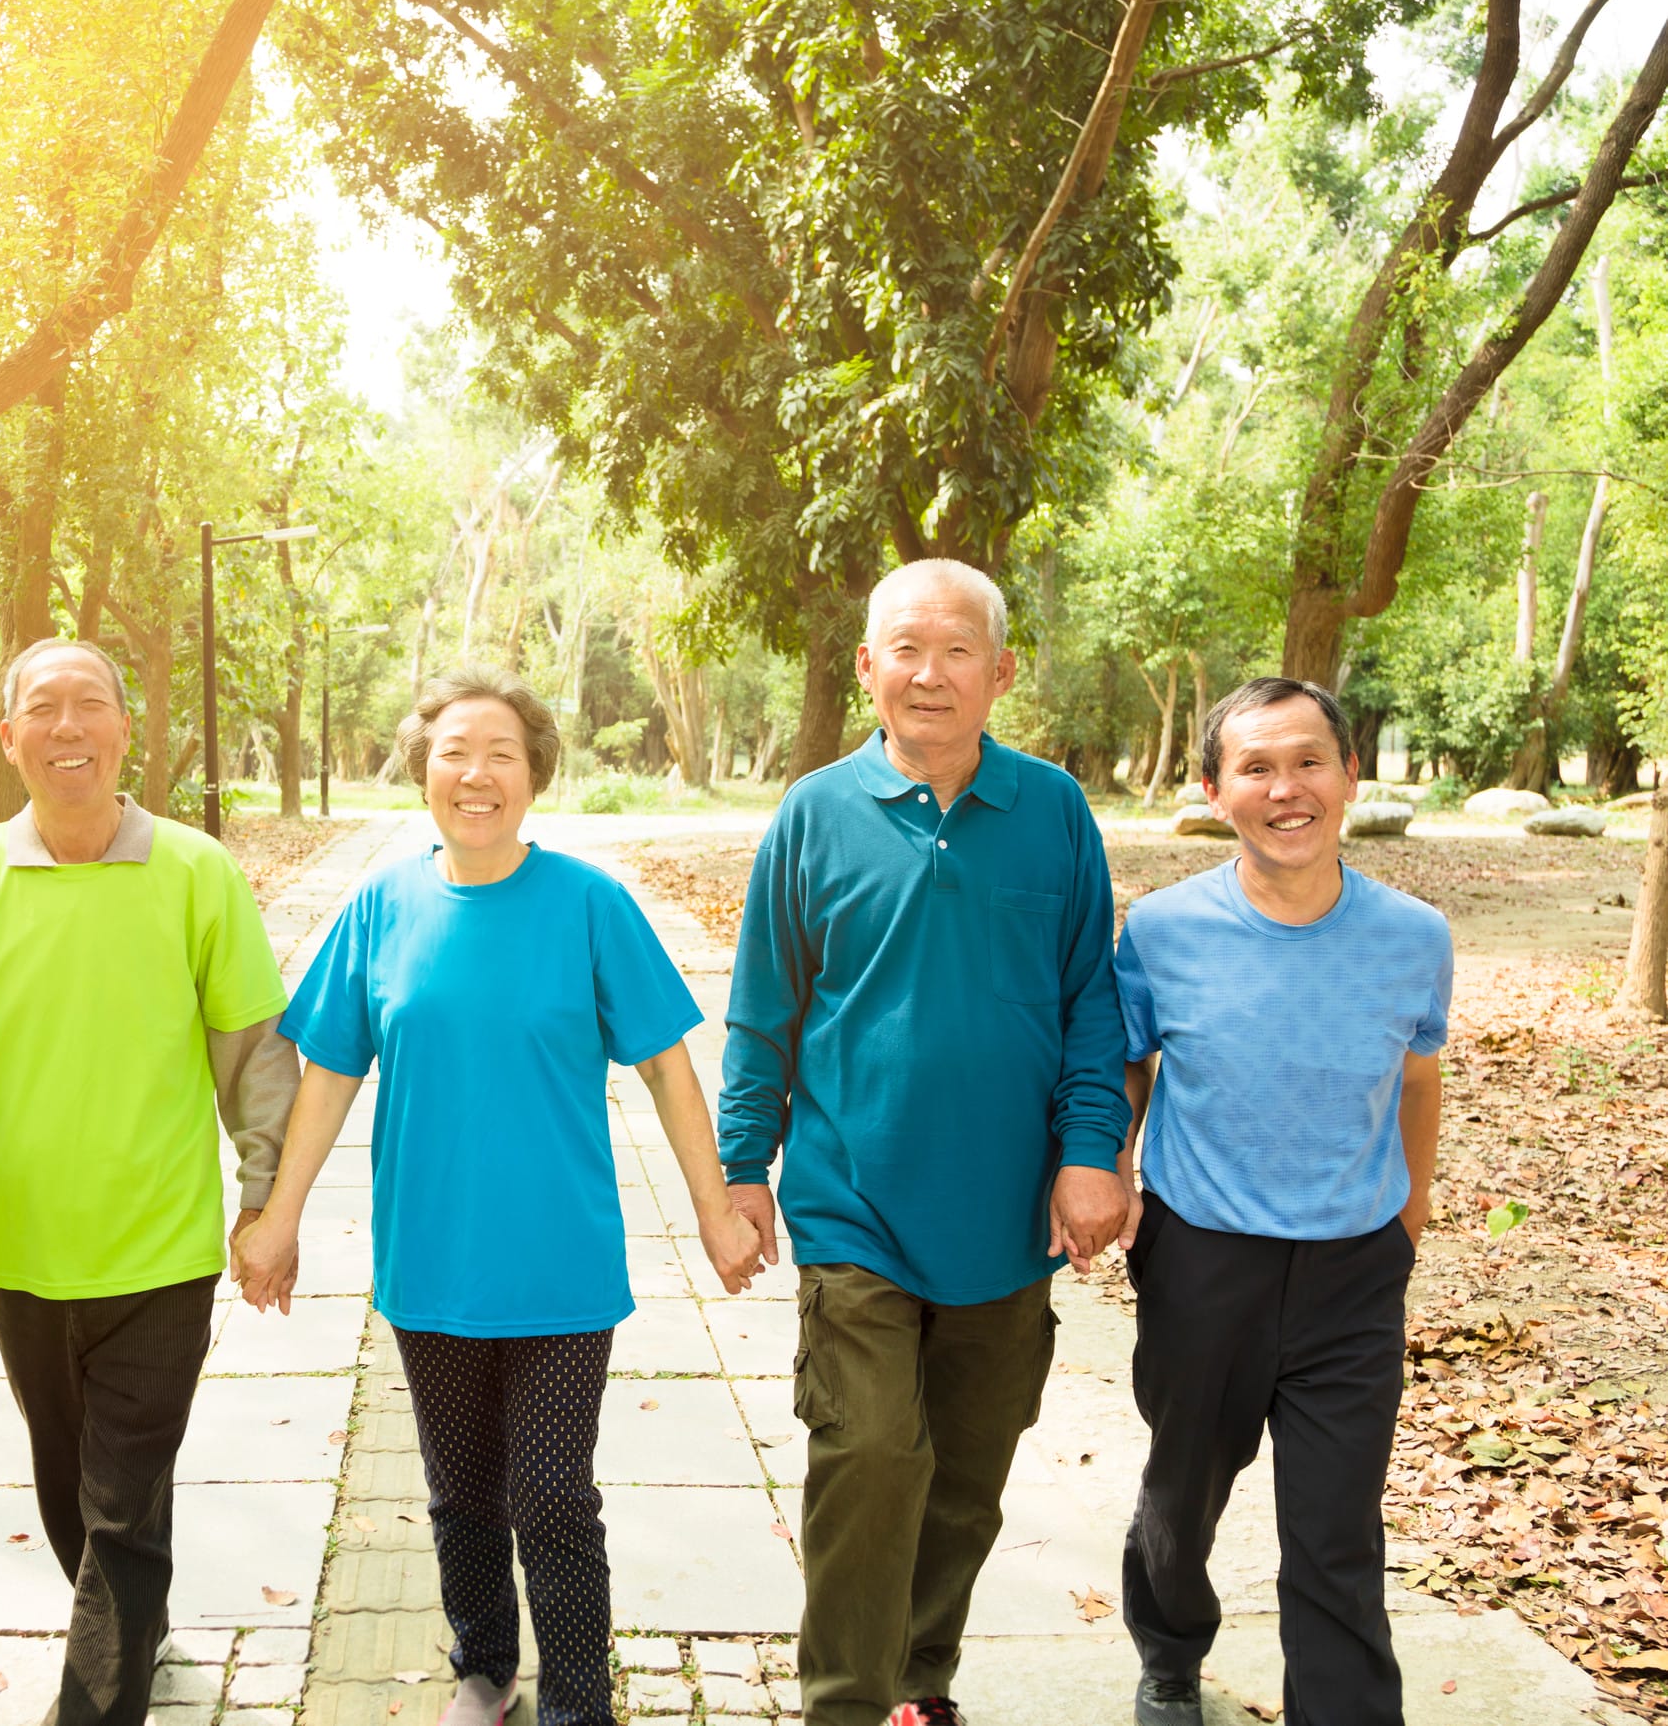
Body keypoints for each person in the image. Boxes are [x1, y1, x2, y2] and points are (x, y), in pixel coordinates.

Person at [235, 666, 763, 1726]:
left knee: (554, 1496)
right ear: (422, 771)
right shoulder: (382, 906)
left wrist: (716, 1209)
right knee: (461, 1496)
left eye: (501, 756)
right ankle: (485, 1666)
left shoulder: (588, 903)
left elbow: (665, 1064)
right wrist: (278, 1218)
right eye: (453, 754)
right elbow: (331, 1069)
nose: (476, 774)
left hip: (561, 1264)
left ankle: (578, 1703)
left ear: (533, 777)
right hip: (429, 1260)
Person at [717, 559, 1133, 1726]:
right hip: (855, 1204)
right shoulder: (813, 813)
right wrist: (743, 1171)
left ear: (1000, 673)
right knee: (868, 1458)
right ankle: (844, 1703)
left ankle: (919, 1679)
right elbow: (764, 1014)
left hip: (1005, 1217)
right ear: (867, 668)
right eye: (905, 648)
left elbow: (1089, 1004)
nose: (929, 673)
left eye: (957, 651)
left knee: (965, 1475)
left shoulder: (1051, 809)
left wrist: (1091, 1149)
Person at [0, 638, 297, 1726]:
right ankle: (131, 1637)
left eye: (91, 705)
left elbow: (253, 1049)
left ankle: (99, 1700)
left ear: (124, 730)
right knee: (71, 1499)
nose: (69, 726)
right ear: (9, 738)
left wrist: (267, 1204)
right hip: (22, 1251)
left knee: (121, 1514)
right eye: (43, 709)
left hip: (162, 1251)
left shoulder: (195, 869)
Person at [1115, 678, 1451, 1726]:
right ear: (1214, 791)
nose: (1285, 788)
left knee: (1336, 1528)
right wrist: (1112, 1176)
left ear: (1351, 775)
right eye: (1255, 767)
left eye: (1308, 760)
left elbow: (1419, 1074)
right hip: (1201, 1257)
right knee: (1183, 1495)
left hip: (1354, 1271)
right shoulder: (1162, 930)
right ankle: (1168, 1653)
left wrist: (1411, 1209)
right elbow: (1128, 1068)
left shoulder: (1415, 935)